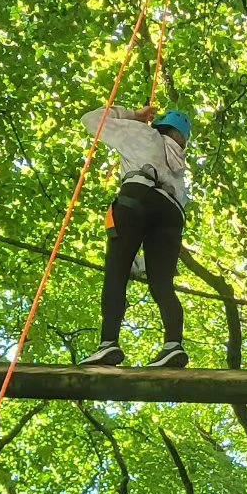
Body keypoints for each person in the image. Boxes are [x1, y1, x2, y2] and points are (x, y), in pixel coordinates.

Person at [78, 103, 193, 367]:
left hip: (136, 197)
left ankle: (108, 343)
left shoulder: (143, 133)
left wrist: (135, 116)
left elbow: (91, 120)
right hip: (172, 213)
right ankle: (173, 345)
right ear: (182, 139)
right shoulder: (180, 165)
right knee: (162, 284)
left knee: (116, 273)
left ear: (160, 126)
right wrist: (143, 262)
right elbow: (159, 223)